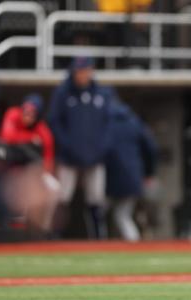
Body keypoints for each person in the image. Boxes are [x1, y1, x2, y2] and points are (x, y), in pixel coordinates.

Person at [48, 57, 114, 239]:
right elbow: (54, 122)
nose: (83, 75)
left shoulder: (102, 93)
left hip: (95, 155)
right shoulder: (63, 93)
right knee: (63, 197)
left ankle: (99, 236)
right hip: (69, 156)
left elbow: (108, 124)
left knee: (96, 198)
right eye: (79, 71)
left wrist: (102, 148)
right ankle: (55, 235)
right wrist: (67, 145)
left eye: (86, 70)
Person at [0, 93, 59, 234]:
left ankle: (43, 229)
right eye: (26, 111)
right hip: (7, 167)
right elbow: (7, 136)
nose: (27, 116)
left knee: (54, 188)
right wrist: (30, 139)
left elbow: (48, 160)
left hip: (30, 171)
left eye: (32, 113)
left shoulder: (43, 130)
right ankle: (6, 228)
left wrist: (40, 178)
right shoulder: (12, 114)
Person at [105, 100, 159, 241]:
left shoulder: (106, 124)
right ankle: (133, 242)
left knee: (106, 214)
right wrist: (149, 173)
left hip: (109, 178)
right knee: (122, 215)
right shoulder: (135, 123)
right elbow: (151, 149)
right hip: (132, 177)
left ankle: (98, 244)